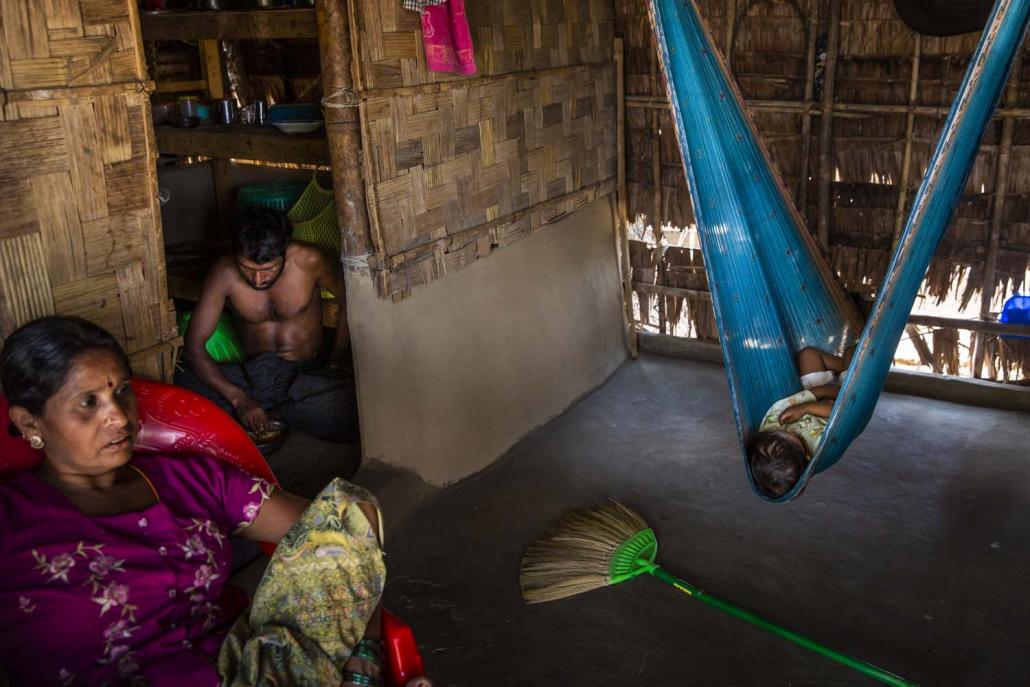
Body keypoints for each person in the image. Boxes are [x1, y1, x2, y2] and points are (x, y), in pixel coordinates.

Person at [0, 316, 430, 687]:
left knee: (349, 509)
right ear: (29, 422)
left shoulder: (187, 480)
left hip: (243, 671)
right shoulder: (11, 520)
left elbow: (348, 528)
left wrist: (363, 661)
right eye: (88, 402)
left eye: (122, 391)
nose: (118, 416)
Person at [175, 206, 358, 444]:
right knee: (178, 380)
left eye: (268, 269)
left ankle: (275, 413)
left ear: (285, 252)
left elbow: (351, 299)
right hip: (254, 376)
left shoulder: (310, 260)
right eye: (248, 269)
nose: (258, 279)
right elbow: (194, 345)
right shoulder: (223, 273)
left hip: (307, 371)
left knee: (355, 405)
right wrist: (239, 398)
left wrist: (338, 356)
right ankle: (282, 411)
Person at [748, 346, 856, 498]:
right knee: (853, 352)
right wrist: (806, 408)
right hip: (847, 398)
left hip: (821, 392)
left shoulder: (773, 426)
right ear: (805, 454)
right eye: (792, 438)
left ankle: (842, 366)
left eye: (776, 435)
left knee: (808, 355)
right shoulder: (819, 447)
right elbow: (845, 412)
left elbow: (815, 393)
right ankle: (845, 366)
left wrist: (812, 399)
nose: (785, 430)